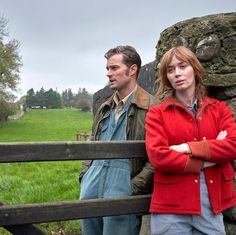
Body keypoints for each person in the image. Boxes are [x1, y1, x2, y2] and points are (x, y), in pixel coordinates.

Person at [145, 46, 236, 235]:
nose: (177, 73)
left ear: (194, 68)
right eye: (170, 70)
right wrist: (207, 160)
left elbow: (232, 145)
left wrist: (185, 147)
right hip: (170, 207)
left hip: (210, 205)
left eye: (182, 66)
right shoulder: (157, 114)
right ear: (166, 77)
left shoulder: (219, 110)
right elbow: (158, 156)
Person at [79, 45, 157, 235]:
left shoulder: (153, 108)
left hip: (124, 186)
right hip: (91, 187)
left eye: (114, 68)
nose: (108, 73)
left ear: (132, 70)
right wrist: (84, 176)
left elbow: (158, 157)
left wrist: (133, 187)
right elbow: (92, 144)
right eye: (107, 68)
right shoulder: (104, 107)